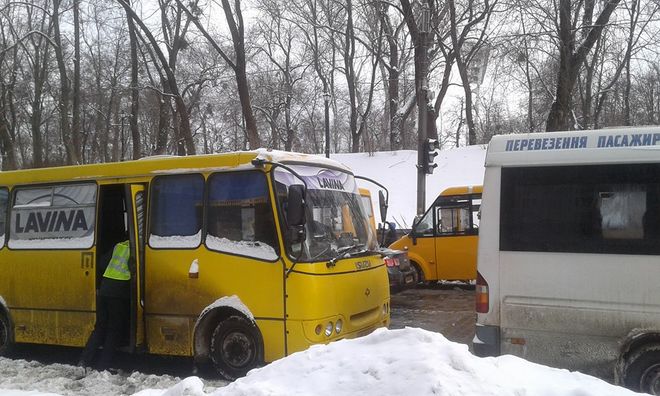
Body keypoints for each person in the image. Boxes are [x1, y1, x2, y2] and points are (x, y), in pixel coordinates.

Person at [79, 240, 131, 370]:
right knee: (114, 330)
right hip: (119, 292)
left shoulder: (119, 245)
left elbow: (102, 262)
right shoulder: (135, 248)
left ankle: (84, 360)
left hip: (105, 288)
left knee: (100, 327)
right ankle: (103, 366)